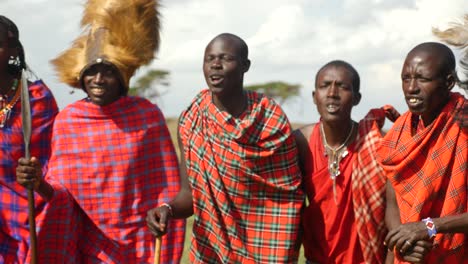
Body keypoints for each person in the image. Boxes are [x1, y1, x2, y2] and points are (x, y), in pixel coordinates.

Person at [15, 0, 185, 263]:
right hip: (86, 243)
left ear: (123, 78)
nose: (98, 79)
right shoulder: (69, 121)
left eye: (108, 71)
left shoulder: (146, 116)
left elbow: (164, 186)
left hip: (138, 241)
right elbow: (62, 194)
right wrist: (37, 183)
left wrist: (163, 213)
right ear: (80, 77)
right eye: (91, 71)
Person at [147, 33, 304, 263]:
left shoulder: (270, 120)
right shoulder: (193, 120)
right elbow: (189, 195)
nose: (215, 65)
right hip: (212, 251)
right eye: (209, 59)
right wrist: (166, 210)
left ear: (245, 66)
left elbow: (288, 195)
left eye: (225, 58)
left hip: (268, 248)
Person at [294, 60, 404, 264]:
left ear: (357, 98)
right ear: (314, 96)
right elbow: (288, 208)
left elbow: (394, 214)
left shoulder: (375, 145)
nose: (332, 93)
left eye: (343, 87)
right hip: (316, 259)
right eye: (324, 85)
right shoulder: (301, 142)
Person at [380, 42, 468, 263]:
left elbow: (422, 228)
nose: (411, 88)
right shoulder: (400, 134)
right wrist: (406, 240)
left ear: (448, 82)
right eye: (406, 78)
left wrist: (427, 227)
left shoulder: (465, 127)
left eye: (423, 79)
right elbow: (393, 203)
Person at [0, 15, 78, 263]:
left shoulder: (36, 98)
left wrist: (37, 179)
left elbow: (54, 170)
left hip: (28, 217)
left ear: (12, 49)